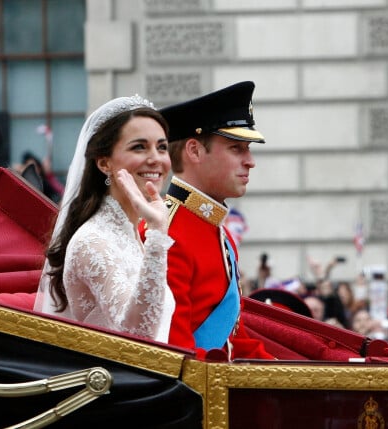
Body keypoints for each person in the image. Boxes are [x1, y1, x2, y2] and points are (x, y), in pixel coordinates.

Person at [34, 95, 175, 342]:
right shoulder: (92, 241)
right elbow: (139, 338)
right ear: (104, 163)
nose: (156, 159)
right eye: (139, 147)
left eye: (162, 147)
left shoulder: (129, 234)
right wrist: (157, 233)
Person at [149, 81, 273, 360]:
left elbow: (233, 341)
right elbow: (177, 357)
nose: (250, 160)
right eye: (236, 148)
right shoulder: (165, 234)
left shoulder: (219, 233)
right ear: (194, 151)